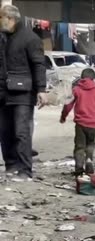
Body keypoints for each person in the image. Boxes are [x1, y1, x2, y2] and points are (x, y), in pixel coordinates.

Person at [0, 5, 48, 181]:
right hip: (4, 93)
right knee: (5, 132)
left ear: (10, 18)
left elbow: (38, 65)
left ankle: (25, 170)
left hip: (23, 94)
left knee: (21, 132)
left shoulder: (30, 38)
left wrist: (41, 90)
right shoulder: (3, 38)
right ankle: (11, 165)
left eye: (1, 18)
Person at [60, 68, 95, 176]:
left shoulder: (76, 90)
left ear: (81, 78)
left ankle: (79, 169)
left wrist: (63, 117)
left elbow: (68, 105)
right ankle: (89, 161)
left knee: (79, 146)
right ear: (93, 78)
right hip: (93, 124)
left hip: (80, 124)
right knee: (90, 144)